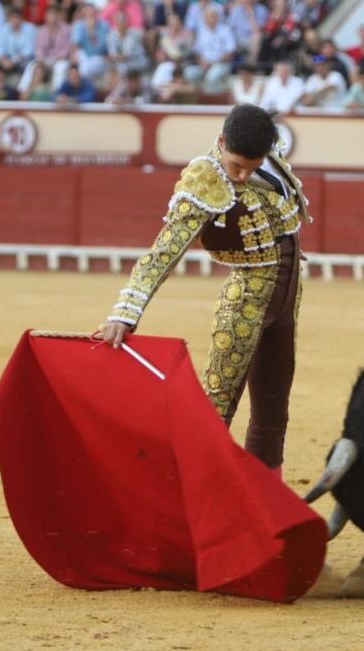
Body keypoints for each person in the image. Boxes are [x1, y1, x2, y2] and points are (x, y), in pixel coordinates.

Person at [99, 105, 311, 478]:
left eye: (251, 166)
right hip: (246, 300)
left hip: (287, 294)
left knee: (273, 412)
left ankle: (267, 507)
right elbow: (166, 249)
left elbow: (284, 220)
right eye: (236, 166)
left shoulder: (270, 160)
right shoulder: (205, 178)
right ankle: (185, 501)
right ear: (220, 142)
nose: (243, 176)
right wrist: (125, 310)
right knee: (216, 409)